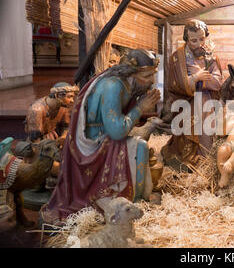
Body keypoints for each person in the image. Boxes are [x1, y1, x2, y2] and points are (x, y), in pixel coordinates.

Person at [40, 49, 161, 226]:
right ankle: (133, 202)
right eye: (147, 75)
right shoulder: (113, 86)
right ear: (132, 72)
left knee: (141, 145)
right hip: (92, 146)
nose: (151, 81)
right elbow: (117, 131)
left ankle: (141, 199)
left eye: (153, 75)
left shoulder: (126, 83)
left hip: (104, 137)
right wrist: (141, 107)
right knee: (140, 146)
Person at [161, 19, 222, 168]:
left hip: (207, 103)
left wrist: (203, 81)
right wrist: (194, 79)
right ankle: (187, 157)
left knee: (207, 132)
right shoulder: (177, 58)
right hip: (186, 103)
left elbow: (218, 82)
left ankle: (204, 158)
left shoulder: (212, 57)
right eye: (194, 40)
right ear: (187, 39)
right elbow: (172, 85)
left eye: (202, 39)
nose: (199, 44)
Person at [24, 82, 79, 189]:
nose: (72, 100)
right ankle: (49, 180)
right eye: (69, 97)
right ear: (58, 96)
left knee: (75, 162)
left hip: (55, 142)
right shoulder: (37, 110)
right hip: (39, 148)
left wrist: (63, 137)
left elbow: (66, 127)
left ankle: (55, 180)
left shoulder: (63, 107)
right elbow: (35, 142)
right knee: (65, 170)